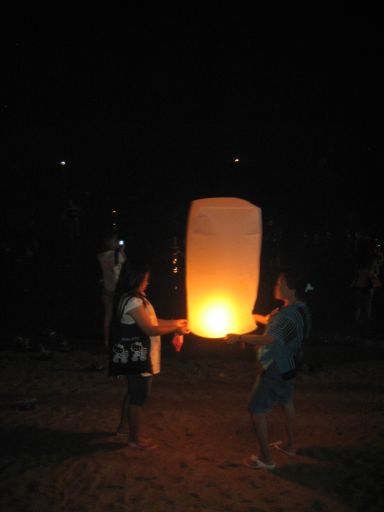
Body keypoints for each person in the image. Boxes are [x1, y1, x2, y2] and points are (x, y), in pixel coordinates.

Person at [226, 268, 312, 470]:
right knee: (286, 400)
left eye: (279, 282)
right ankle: (290, 445)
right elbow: (269, 322)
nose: (275, 285)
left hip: (275, 367)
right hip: (290, 364)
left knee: (256, 408)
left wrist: (240, 337)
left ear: (290, 288)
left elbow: (269, 338)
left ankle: (266, 459)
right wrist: (248, 315)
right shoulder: (298, 308)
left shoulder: (288, 314)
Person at [110, 258, 189, 450]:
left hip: (135, 354)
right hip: (138, 355)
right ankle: (135, 438)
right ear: (136, 279)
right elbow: (150, 329)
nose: (148, 281)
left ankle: (123, 429)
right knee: (139, 397)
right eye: (145, 278)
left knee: (133, 392)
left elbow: (153, 321)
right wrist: (174, 328)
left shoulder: (136, 297)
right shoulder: (133, 301)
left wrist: (176, 323)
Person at [97, 232, 127, 346]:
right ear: (109, 242)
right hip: (116, 289)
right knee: (120, 316)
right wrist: (122, 251)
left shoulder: (100, 256)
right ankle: (119, 339)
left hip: (106, 288)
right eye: (115, 241)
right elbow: (126, 266)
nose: (116, 243)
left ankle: (106, 341)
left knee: (107, 316)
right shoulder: (116, 255)